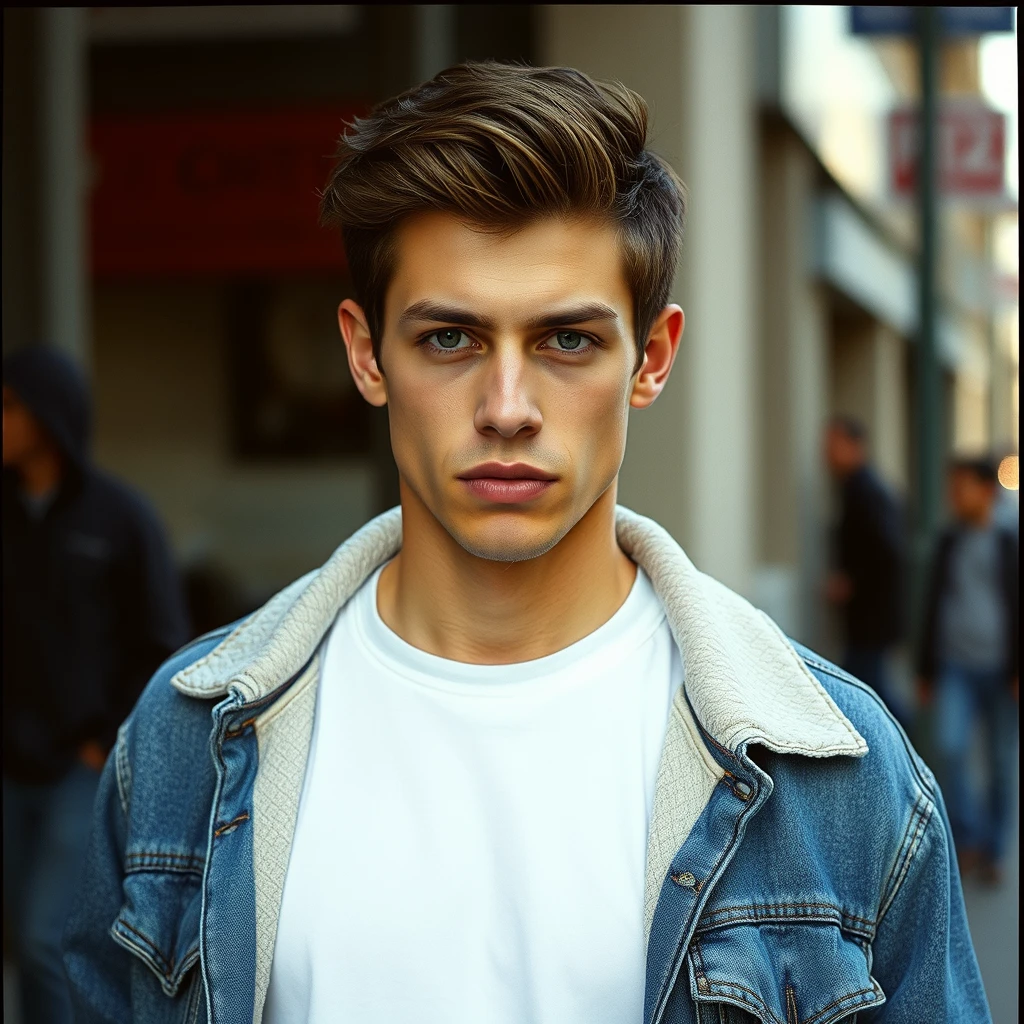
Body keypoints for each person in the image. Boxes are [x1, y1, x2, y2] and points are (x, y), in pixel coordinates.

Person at [65, 63, 989, 1023]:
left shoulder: (838, 778)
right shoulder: (182, 745)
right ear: (365, 352)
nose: (506, 410)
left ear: (653, 358)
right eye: (450, 340)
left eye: (568, 342)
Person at [2, 346, 191, 1024]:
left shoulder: (119, 519)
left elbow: (163, 642)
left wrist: (104, 740)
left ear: (50, 418)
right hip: (10, 769)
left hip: (81, 768)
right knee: (24, 944)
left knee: (44, 934)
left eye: (9, 406)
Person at [917, 455, 1019, 885]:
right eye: (951, 487)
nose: (955, 496)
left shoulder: (1008, 543)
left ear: (986, 491)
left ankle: (993, 850)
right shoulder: (948, 541)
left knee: (999, 762)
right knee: (951, 749)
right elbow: (933, 606)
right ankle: (970, 836)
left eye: (963, 487)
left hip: (1000, 670)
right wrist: (926, 669)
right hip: (955, 666)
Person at [823, 415, 909, 728]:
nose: (827, 454)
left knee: (867, 693)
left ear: (853, 445)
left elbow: (886, 551)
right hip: (869, 619)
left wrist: (851, 581)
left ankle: (904, 745)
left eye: (833, 444)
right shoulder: (858, 487)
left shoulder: (866, 490)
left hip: (871, 619)